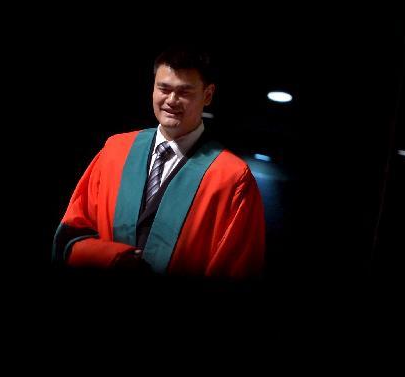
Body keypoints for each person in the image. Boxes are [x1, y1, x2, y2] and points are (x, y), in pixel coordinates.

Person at [52, 46, 265, 279]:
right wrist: (113, 258)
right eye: (163, 88)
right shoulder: (116, 150)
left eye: (184, 92)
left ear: (208, 95)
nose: (171, 100)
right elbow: (72, 233)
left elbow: (236, 267)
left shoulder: (232, 177)